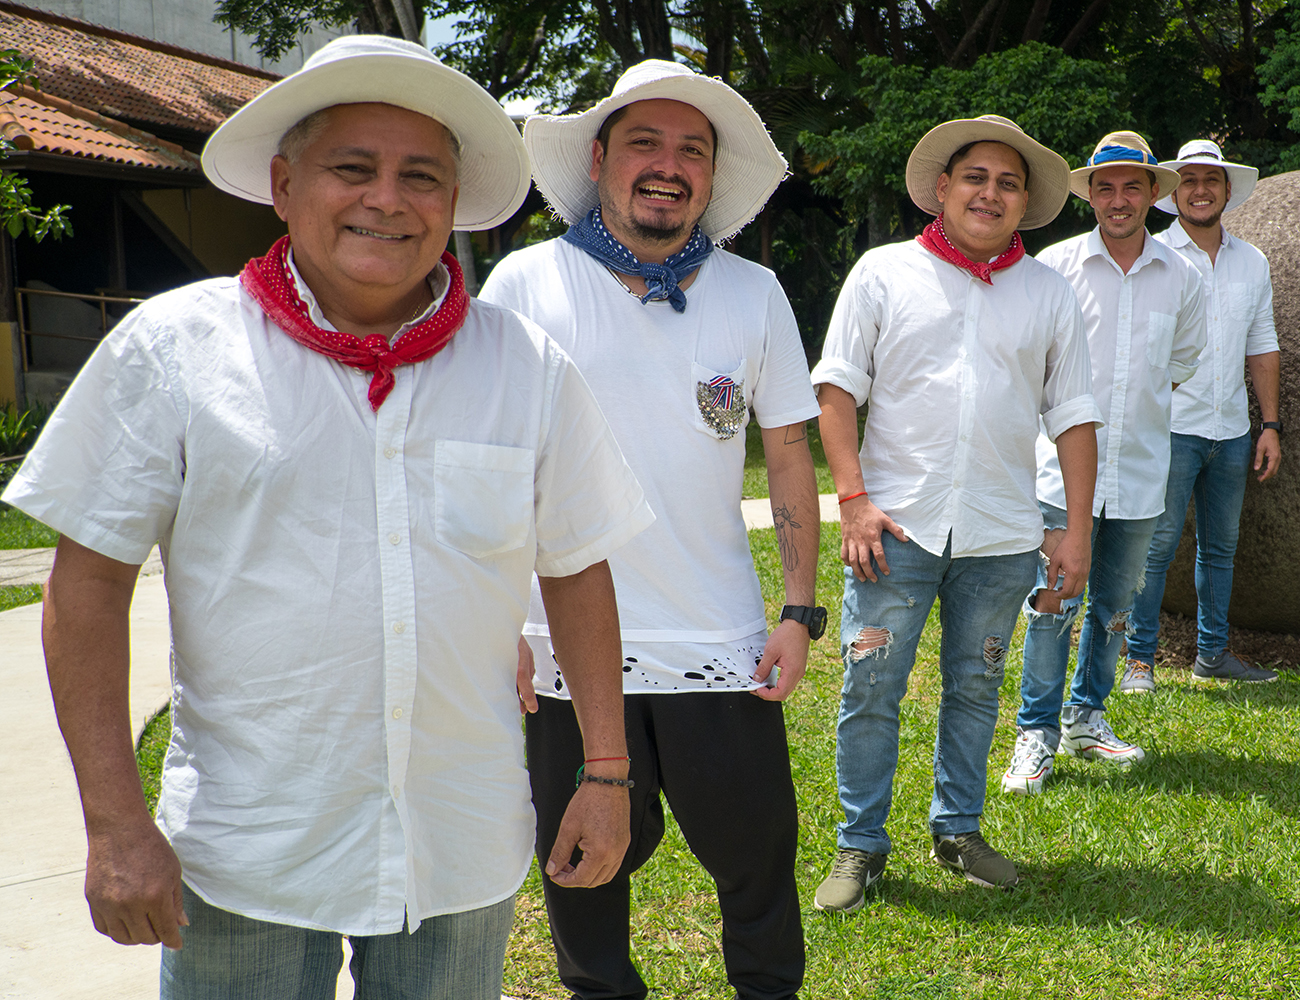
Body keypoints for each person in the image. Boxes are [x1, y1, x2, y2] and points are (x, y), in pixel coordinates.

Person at [1, 36, 655, 1000]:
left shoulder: (526, 367)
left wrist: (606, 773)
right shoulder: (176, 351)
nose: (386, 199)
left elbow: (576, 566)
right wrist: (113, 823)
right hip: (250, 853)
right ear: (283, 184)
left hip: (456, 842)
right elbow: (87, 590)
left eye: (420, 175)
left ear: (452, 200)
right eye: (353, 168)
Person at [480, 59, 822, 1000]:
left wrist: (799, 610)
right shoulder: (522, 284)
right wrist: (501, 619)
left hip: (718, 642)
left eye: (692, 150)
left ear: (711, 177)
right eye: (644, 142)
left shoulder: (754, 294)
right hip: (561, 650)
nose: (668, 166)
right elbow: (490, 463)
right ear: (598, 158)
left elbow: (790, 451)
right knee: (582, 878)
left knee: (759, 874)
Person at [810, 114, 1101, 909]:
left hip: (1002, 533)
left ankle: (959, 830)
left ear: (1025, 202)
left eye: (1009, 183)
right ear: (942, 188)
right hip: (894, 529)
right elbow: (837, 390)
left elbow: (1073, 414)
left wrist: (1073, 529)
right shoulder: (882, 273)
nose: (991, 192)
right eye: (976, 177)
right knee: (872, 685)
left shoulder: (1047, 291)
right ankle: (860, 846)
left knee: (976, 685)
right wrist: (855, 501)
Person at [1003, 132, 1206, 797]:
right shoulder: (1053, 267)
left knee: (1116, 606)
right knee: (1054, 601)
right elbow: (1028, 364)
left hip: (1142, 473)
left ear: (1154, 194)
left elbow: (1180, 367)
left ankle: (1086, 716)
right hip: (1061, 477)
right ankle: (1035, 732)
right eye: (1105, 186)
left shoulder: (1184, 276)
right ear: (1088, 193)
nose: (1118, 199)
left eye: (1132, 186)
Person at [1123, 139, 1281, 689]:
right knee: (1157, 545)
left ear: (1227, 190)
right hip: (1169, 429)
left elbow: (1262, 343)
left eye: (1210, 180)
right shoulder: (1154, 257)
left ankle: (1212, 654)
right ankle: (1139, 659)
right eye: (1188, 179)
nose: (1200, 189)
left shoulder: (1252, 261)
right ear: (1173, 192)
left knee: (1221, 549)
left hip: (1234, 430)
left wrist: (1270, 425)